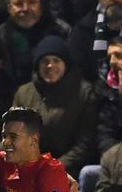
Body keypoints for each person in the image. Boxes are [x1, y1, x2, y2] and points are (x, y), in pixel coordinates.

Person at [12, 35, 97, 179]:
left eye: (56, 61)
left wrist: (53, 166)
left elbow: (84, 144)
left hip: (68, 168)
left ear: (65, 64)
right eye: (45, 61)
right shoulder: (24, 93)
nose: (50, 66)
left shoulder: (83, 93)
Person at [0, 0, 71, 85]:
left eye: (32, 2)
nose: (25, 8)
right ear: (9, 7)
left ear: (41, 5)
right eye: (19, 3)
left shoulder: (62, 31)